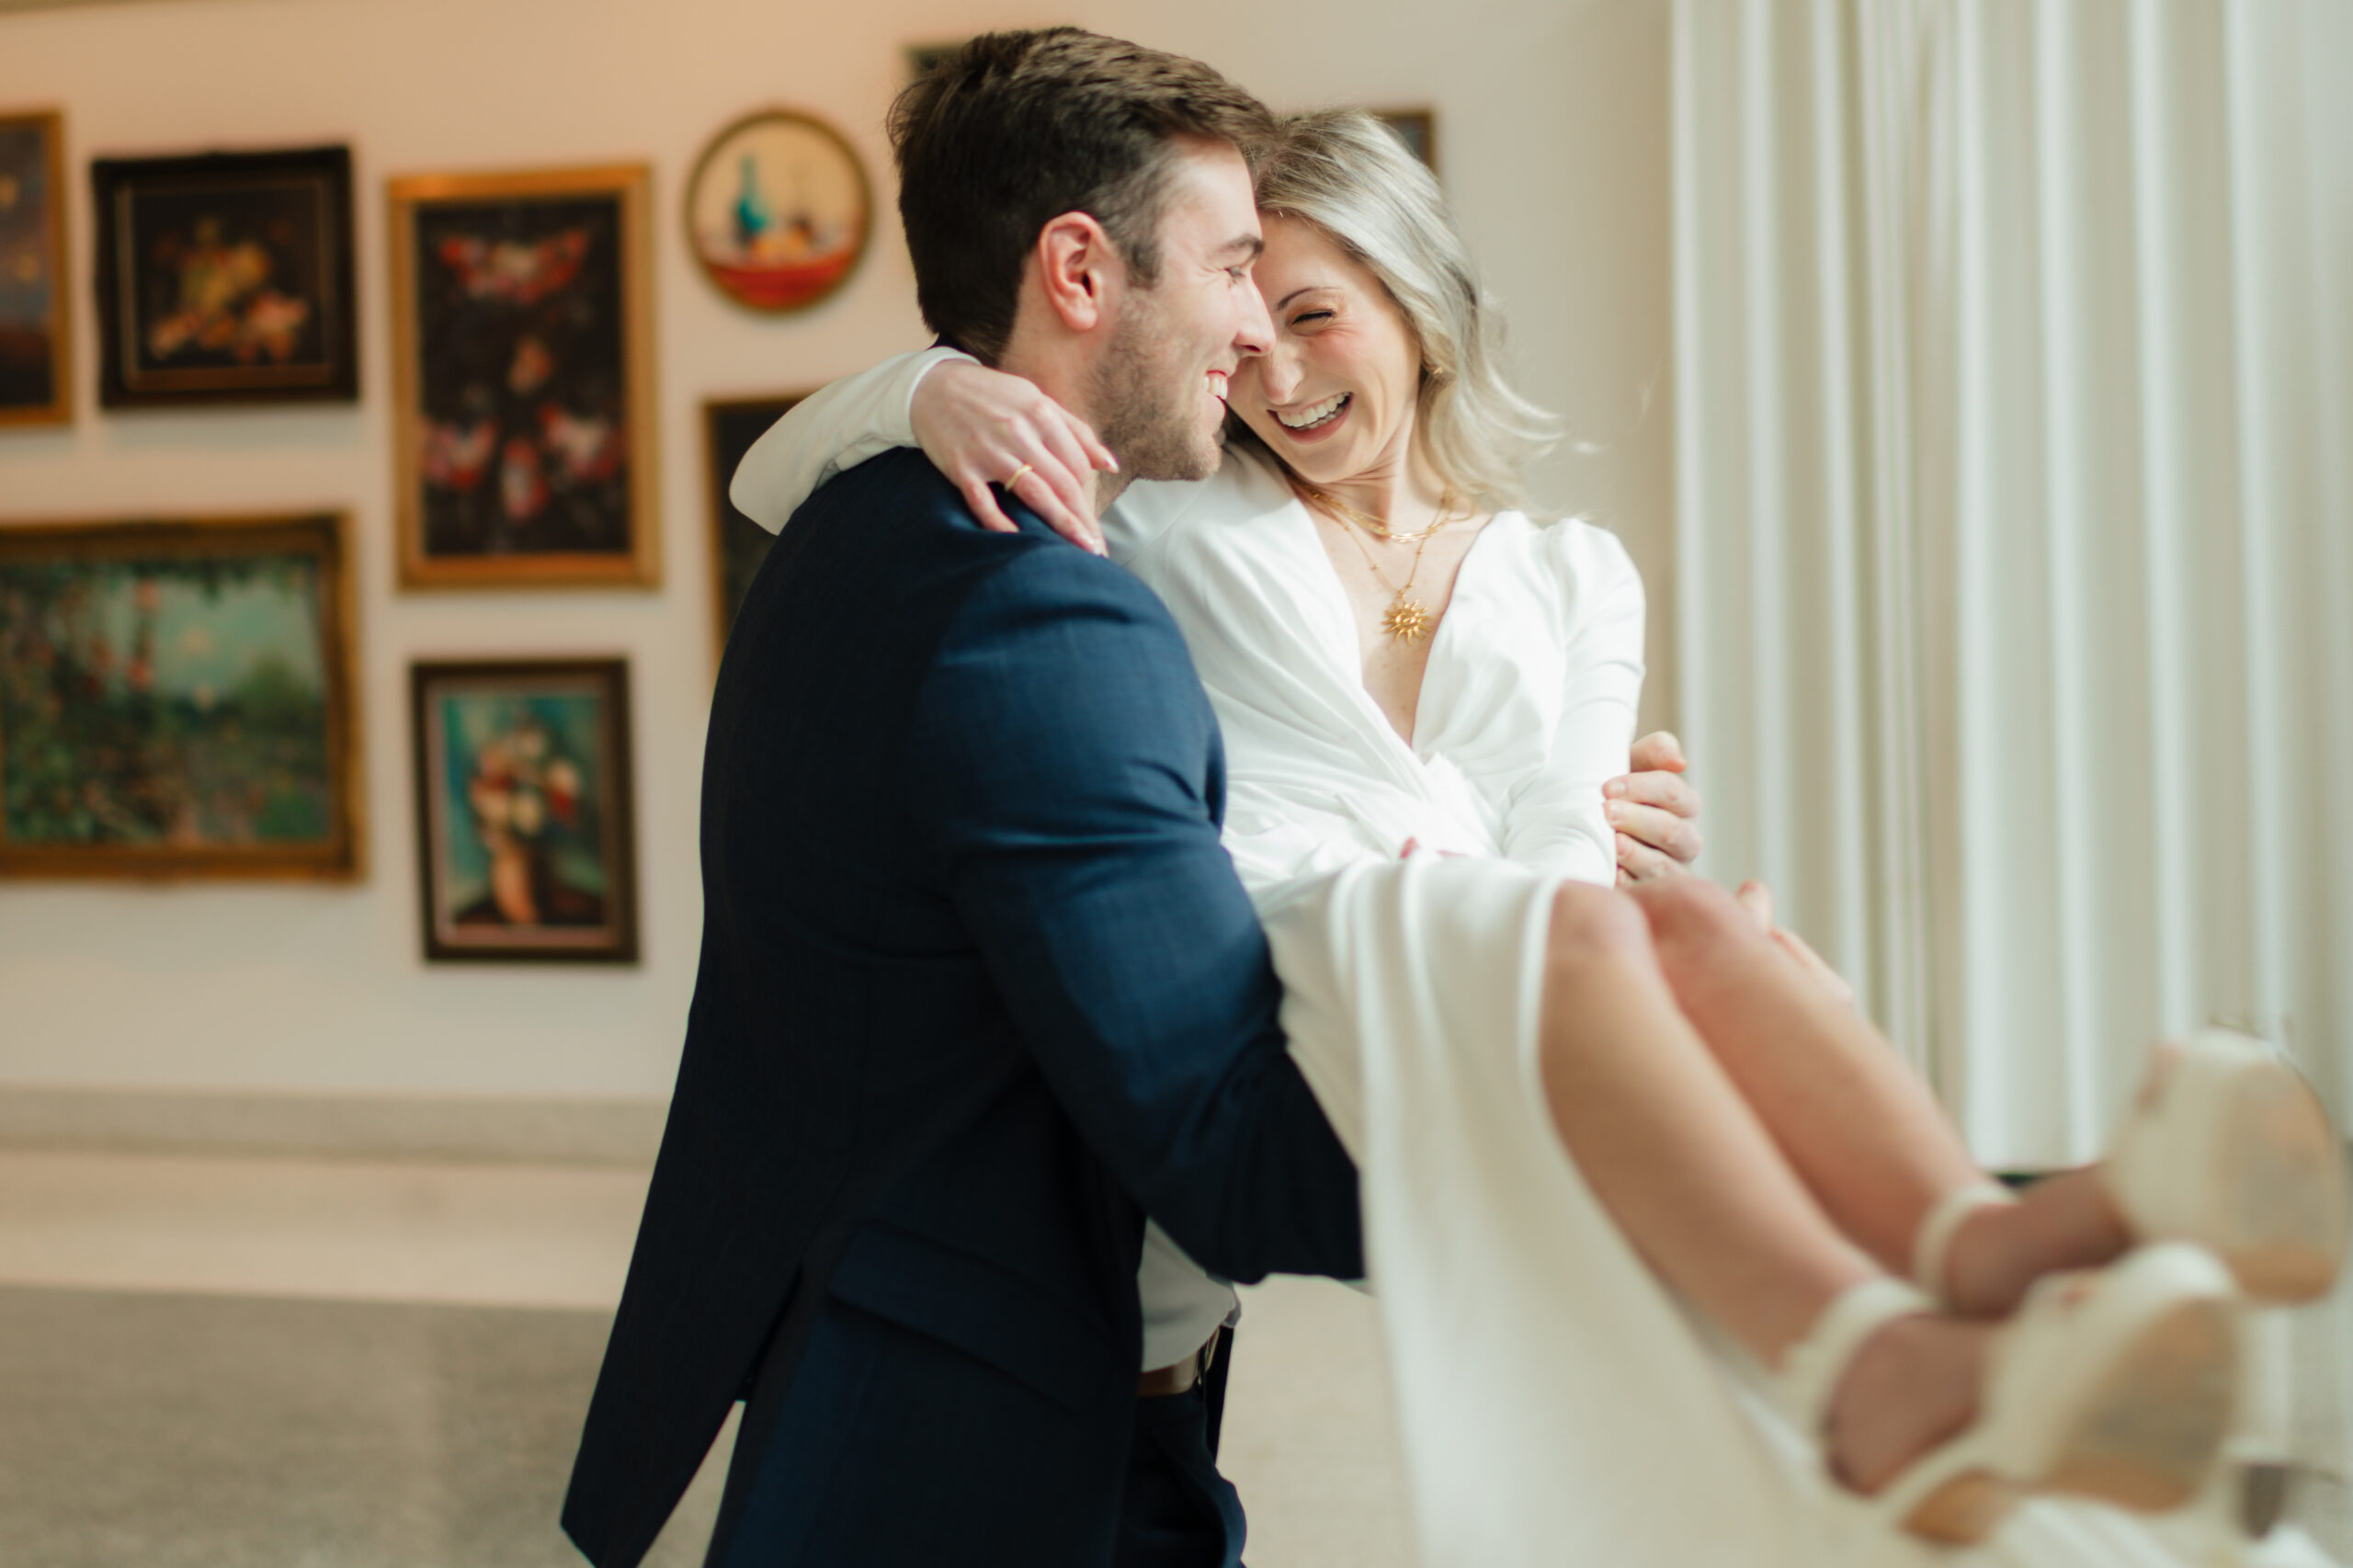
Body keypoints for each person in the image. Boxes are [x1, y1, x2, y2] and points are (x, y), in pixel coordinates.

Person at [733, 86, 2352, 1567]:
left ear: (1415, 309)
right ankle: (1895, 1348)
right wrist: (934, 385)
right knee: (1624, 935)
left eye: (1316, 317)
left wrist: (1651, 927)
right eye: (1249, 328)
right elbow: (785, 464)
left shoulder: (1573, 573)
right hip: (1273, 932)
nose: (1280, 376)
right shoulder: (1165, 505)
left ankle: (2003, 1244)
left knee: (1704, 920)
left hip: (1482, 928)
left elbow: (1569, 852)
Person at [563, 35, 1369, 1568]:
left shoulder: (858, 519)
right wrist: (1603, 1150)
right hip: (987, 1456)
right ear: (1079, 268)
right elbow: (1229, 1145)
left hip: (862, 1391)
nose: (1260, 332)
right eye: (1235, 267)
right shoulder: (1047, 615)